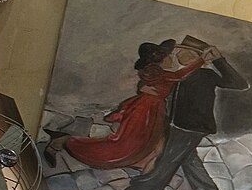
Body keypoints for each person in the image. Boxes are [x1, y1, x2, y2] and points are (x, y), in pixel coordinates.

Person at [105, 37, 248, 190]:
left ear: (198, 56)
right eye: (178, 50)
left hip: (192, 126)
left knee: (167, 159)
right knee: (187, 158)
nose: (178, 54)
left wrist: (218, 59)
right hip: (176, 124)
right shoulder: (174, 74)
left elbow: (240, 84)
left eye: (185, 51)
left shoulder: (206, 75)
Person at [48, 38, 203, 171]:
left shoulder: (156, 71)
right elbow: (178, 75)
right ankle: (64, 141)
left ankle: (146, 176)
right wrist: (201, 61)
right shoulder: (155, 71)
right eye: (169, 55)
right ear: (161, 59)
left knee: (146, 143)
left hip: (153, 109)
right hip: (144, 109)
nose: (172, 58)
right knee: (124, 144)